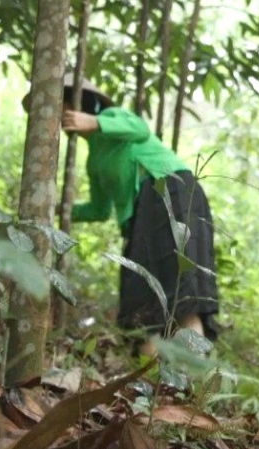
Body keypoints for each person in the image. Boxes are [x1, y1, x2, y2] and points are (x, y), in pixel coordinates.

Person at [36, 73, 220, 350]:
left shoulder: (113, 118)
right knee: (143, 303)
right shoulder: (94, 160)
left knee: (182, 294)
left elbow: (140, 130)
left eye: (63, 107)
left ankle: (192, 380)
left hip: (172, 192)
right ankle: (155, 386)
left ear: (80, 105)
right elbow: (99, 210)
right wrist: (51, 208)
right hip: (141, 217)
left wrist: (97, 122)